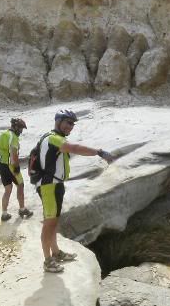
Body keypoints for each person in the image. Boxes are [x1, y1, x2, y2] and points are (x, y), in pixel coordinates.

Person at [37, 109, 114, 273]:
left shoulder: (56, 138)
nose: (71, 127)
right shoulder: (53, 138)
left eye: (72, 124)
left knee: (53, 221)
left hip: (55, 185)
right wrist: (99, 152)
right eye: (68, 122)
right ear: (58, 121)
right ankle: (47, 260)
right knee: (49, 222)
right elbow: (75, 148)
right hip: (48, 185)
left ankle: (56, 253)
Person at [0, 117, 33, 222]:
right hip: (10, 165)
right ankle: (22, 209)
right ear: (16, 127)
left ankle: (4, 214)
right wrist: (16, 167)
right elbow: (14, 154)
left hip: (0, 164)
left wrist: (4, 153)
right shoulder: (13, 137)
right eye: (21, 128)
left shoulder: (3, 134)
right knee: (20, 185)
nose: (21, 131)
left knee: (8, 189)